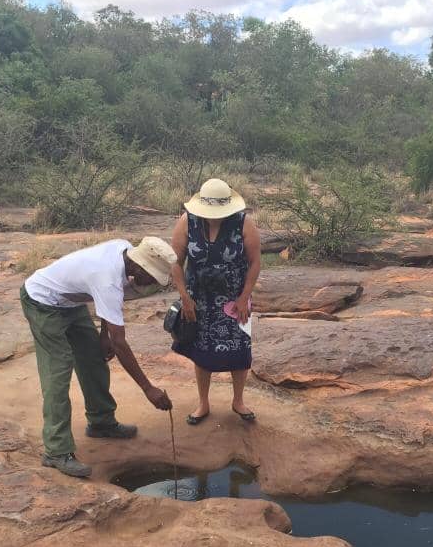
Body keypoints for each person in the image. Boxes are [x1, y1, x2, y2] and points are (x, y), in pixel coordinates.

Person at [20, 236, 175, 478]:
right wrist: (148, 389)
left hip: (71, 302)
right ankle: (56, 451)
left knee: (94, 359)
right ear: (139, 266)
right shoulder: (107, 278)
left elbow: (108, 307)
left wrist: (103, 335)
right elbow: (120, 343)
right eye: (152, 277)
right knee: (58, 370)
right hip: (42, 301)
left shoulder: (123, 250)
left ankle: (101, 422)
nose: (152, 283)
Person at [170, 178, 261, 425]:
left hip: (235, 300)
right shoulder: (187, 221)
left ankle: (238, 401)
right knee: (202, 351)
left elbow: (254, 262)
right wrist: (185, 297)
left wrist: (244, 297)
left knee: (240, 349)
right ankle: (203, 403)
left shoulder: (243, 222)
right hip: (198, 299)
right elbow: (175, 262)